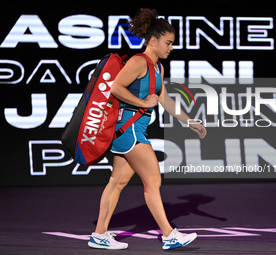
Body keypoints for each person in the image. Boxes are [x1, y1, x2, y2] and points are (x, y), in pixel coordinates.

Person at [88, 8, 207, 250]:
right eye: (168, 43)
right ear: (153, 41)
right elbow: (116, 88)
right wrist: (143, 103)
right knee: (152, 180)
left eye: (172, 44)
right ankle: (169, 234)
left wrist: (190, 121)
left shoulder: (157, 68)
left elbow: (164, 99)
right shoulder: (138, 61)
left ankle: (99, 234)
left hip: (131, 131)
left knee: (117, 182)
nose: (170, 48)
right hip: (129, 130)